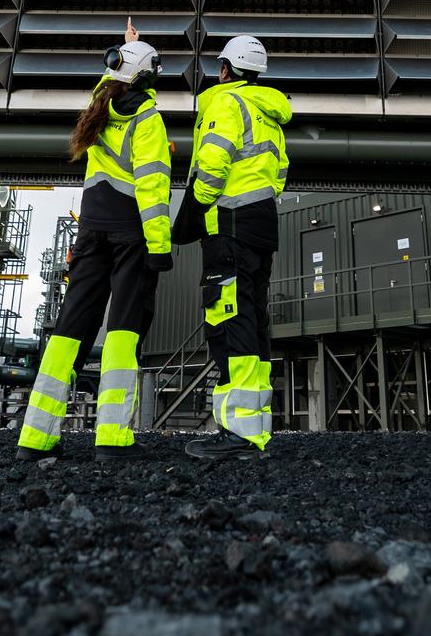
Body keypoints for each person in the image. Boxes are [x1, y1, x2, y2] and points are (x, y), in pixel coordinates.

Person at [16, 35, 172, 458]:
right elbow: (154, 187)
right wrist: (159, 246)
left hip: (92, 230)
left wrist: (127, 49)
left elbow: (109, 78)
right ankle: (112, 439)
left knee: (69, 331)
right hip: (131, 233)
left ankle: (35, 438)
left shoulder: (98, 109)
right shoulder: (147, 119)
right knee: (123, 332)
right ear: (149, 76)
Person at [184, 35, 292, 461]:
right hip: (261, 223)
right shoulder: (269, 114)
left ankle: (238, 433)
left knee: (230, 319)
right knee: (254, 320)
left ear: (227, 69)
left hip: (228, 224)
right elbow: (280, 171)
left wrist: (197, 205)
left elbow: (212, 162)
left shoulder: (226, 104)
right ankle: (255, 428)